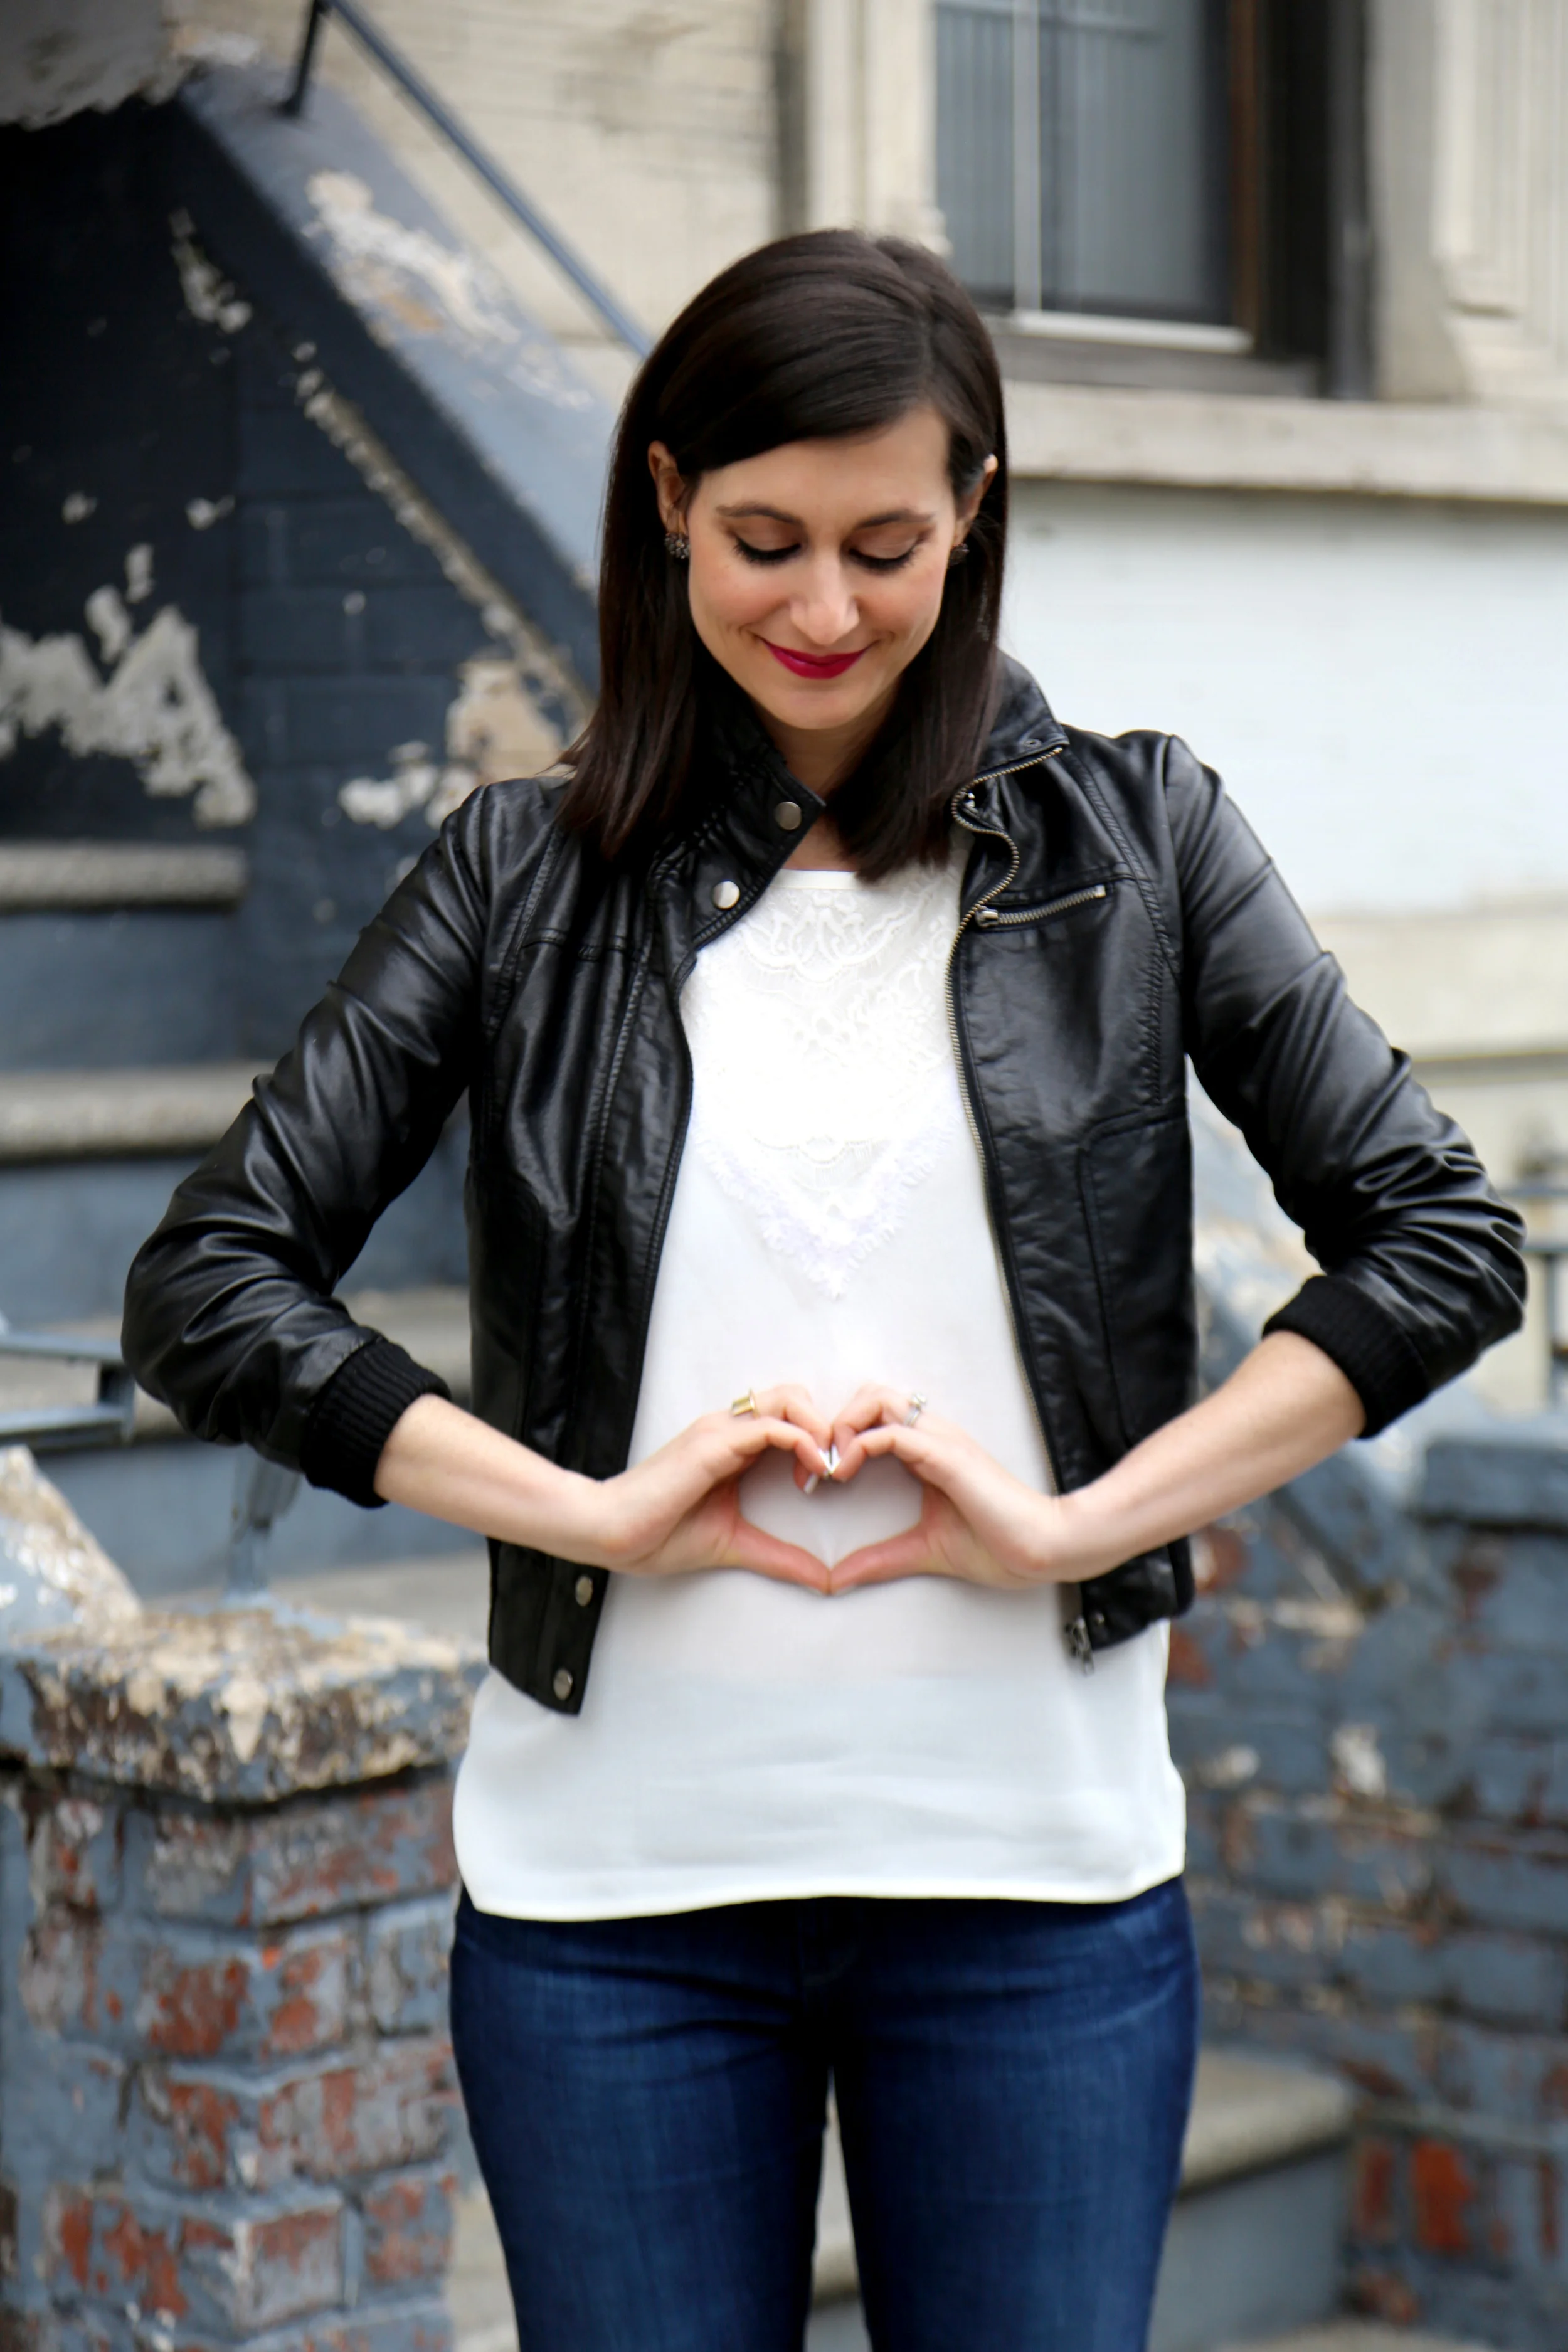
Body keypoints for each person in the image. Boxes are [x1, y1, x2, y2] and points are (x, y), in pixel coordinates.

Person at [122, 230, 1525, 2352]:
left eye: (889, 541)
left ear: (974, 511)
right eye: (765, 537)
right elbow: (211, 1276)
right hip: (612, 1914)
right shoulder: (522, 875)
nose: (826, 608)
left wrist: (1081, 1522)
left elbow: (1438, 1238)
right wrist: (572, 1507)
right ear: (667, 497)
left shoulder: (1135, 841)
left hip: (1037, 1896)